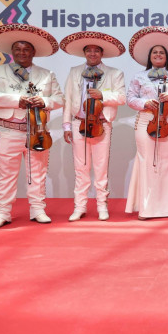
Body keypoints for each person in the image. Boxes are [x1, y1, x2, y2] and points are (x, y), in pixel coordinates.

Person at [0, 24, 63, 229]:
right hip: (8, 129)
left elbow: (59, 99)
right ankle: (3, 212)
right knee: (6, 173)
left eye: (26, 49)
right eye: (17, 49)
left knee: (37, 172)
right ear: (12, 52)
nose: (22, 52)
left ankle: (37, 209)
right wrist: (18, 99)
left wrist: (43, 101)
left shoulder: (46, 73)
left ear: (33, 52)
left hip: (37, 130)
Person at [60, 31, 127, 222]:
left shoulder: (114, 73)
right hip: (78, 123)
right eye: (88, 51)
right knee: (80, 167)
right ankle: (79, 206)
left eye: (96, 51)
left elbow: (122, 97)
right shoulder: (74, 72)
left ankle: (101, 206)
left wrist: (103, 96)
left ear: (102, 54)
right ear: (84, 53)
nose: (92, 54)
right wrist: (66, 125)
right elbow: (68, 99)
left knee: (100, 167)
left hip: (101, 124)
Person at [126, 26, 168, 219]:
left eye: (162, 52)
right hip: (146, 121)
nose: (158, 55)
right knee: (146, 163)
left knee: (167, 163)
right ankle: (146, 208)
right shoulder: (139, 76)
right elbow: (130, 99)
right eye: (155, 52)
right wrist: (146, 103)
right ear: (150, 57)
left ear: (166, 57)